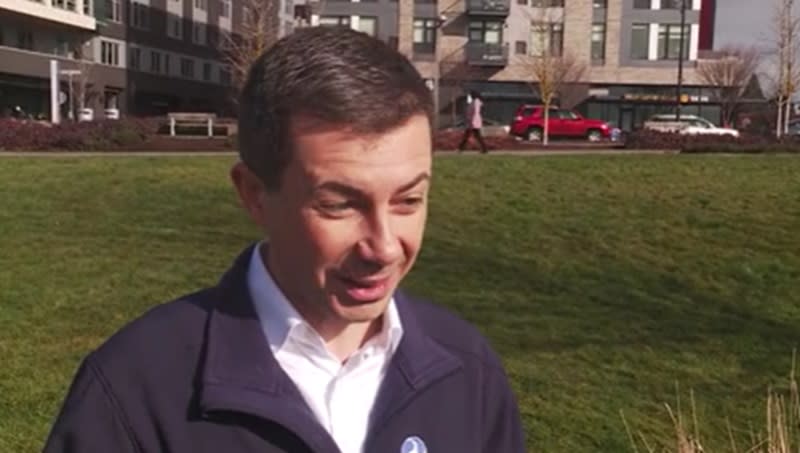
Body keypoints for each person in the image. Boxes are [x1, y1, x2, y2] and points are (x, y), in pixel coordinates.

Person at [43, 27, 525, 453]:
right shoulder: (136, 389)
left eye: (409, 200)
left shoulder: (467, 369)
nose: (383, 247)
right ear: (254, 195)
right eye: (339, 204)